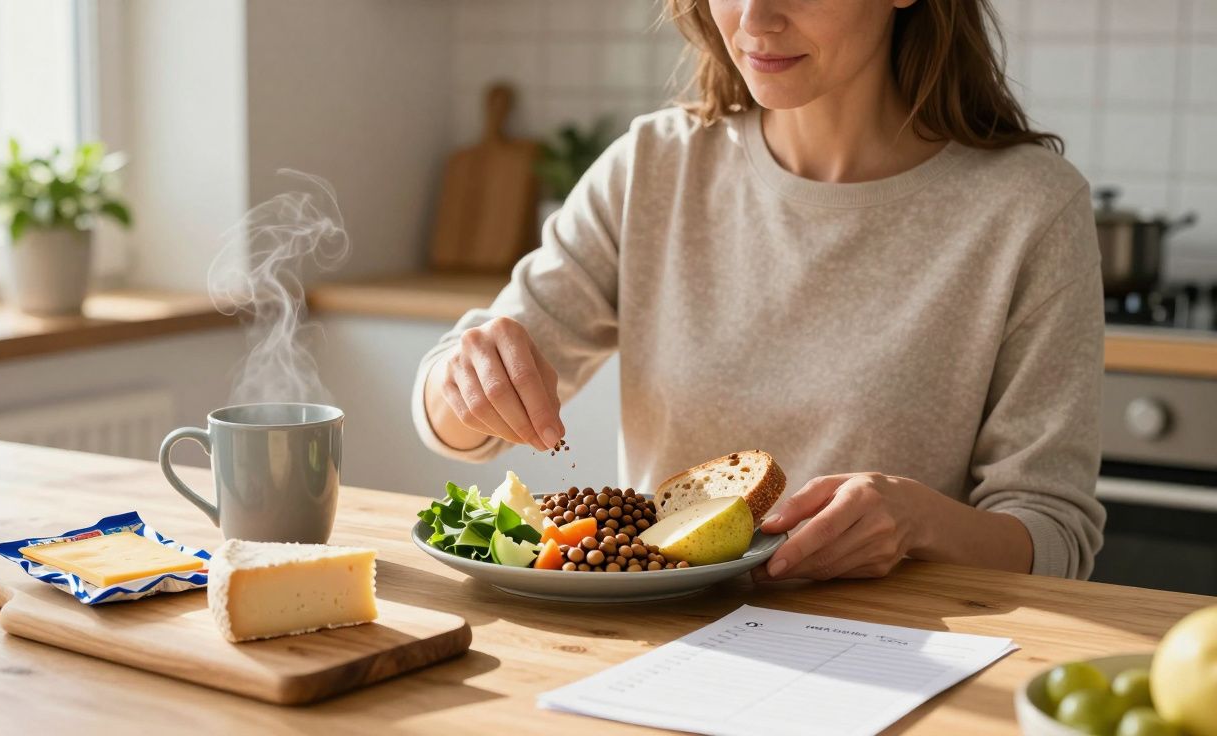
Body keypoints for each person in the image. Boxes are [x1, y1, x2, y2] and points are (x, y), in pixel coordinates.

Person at [411, 0, 1105, 582]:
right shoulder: (654, 167)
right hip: (663, 648)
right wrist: (466, 382)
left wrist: (917, 521)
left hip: (897, 661)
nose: (754, 17)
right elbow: (452, 427)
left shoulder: (1029, 210)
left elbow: (1055, 539)